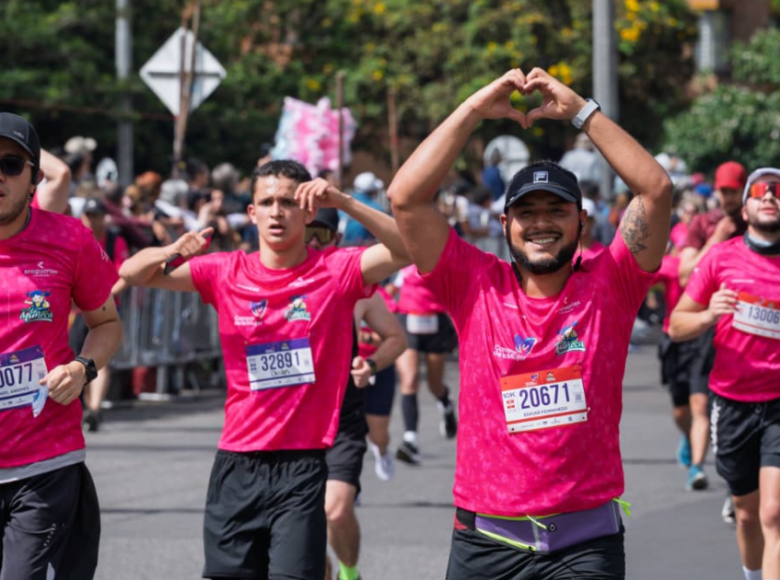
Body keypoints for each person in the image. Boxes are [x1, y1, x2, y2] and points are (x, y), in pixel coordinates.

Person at [388, 69, 672, 579]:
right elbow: (406, 196)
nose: (541, 222)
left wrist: (583, 113)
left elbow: (655, 190)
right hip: (487, 541)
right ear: (505, 225)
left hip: (586, 544)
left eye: (557, 211)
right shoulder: (472, 283)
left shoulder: (613, 284)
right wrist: (474, 109)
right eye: (527, 212)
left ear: (581, 222)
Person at [119, 160, 408, 580]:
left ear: (309, 212)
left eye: (289, 202)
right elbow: (131, 273)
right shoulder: (224, 271)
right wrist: (169, 252)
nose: (277, 212)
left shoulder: (336, 271)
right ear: (251, 213)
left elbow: (407, 247)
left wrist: (344, 202)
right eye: (266, 202)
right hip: (237, 464)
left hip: (301, 467)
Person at [0, 113, 123, 579]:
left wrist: (83, 367)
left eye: (11, 165)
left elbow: (107, 324)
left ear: (34, 176)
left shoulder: (69, 240)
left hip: (45, 464)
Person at [669, 167, 780, 580]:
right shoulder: (721, 257)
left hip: (779, 403)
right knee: (748, 515)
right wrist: (709, 314)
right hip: (732, 403)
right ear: (745, 209)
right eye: (760, 193)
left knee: (774, 513)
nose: (770, 197)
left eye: (778, 193)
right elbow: (676, 325)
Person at [305, 207, 406, 580]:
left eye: (324, 235)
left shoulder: (355, 286)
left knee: (335, 509)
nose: (314, 242)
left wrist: (371, 364)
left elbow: (397, 338)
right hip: (293, 421)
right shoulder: (275, 281)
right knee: (303, 525)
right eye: (308, 232)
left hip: (343, 418)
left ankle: (349, 572)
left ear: (337, 240)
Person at [676, 161, 747, 492]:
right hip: (702, 327)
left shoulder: (759, 224)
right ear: (716, 191)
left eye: (735, 191)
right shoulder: (705, 223)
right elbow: (684, 273)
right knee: (692, 406)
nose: (729, 198)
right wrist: (716, 239)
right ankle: (695, 456)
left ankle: (723, 475)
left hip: (749, 335)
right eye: (725, 191)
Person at [70, 197, 129, 431]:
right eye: (88, 215)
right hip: (78, 310)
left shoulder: (116, 240)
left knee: (100, 359)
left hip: (106, 309)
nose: (91, 220)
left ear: (104, 217)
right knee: (77, 356)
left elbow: (123, 273)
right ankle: (84, 408)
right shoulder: (76, 239)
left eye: (96, 215)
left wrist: (100, 296)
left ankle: (94, 409)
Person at [391, 263, 458, 465]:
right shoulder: (402, 259)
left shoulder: (440, 257)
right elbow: (389, 290)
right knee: (409, 379)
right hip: (407, 321)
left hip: (436, 322)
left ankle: (446, 403)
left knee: (434, 385)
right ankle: (410, 440)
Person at [342, 172, 386, 245]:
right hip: (365, 252)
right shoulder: (377, 209)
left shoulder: (342, 204)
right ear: (372, 190)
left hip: (341, 250)